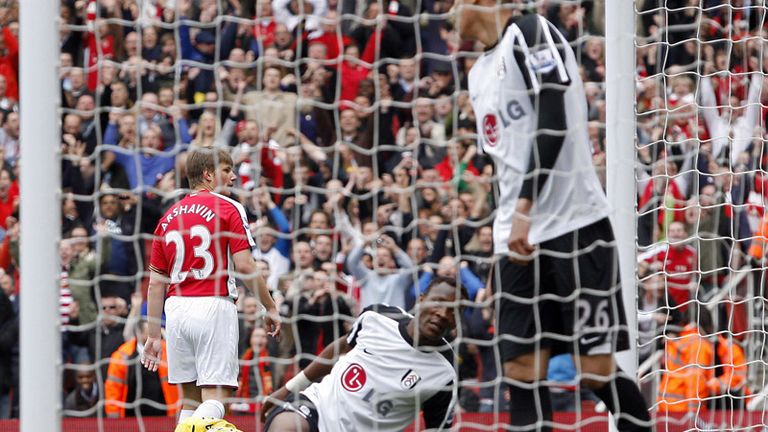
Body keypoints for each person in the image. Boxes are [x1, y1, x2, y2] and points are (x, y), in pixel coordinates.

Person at [455, 1, 651, 430]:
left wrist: (525, 208)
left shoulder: (529, 31)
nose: (448, 13)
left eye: (453, 3)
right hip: (517, 239)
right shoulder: (476, 74)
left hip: (574, 227)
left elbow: (554, 114)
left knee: (595, 368)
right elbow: (500, 168)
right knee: (521, 370)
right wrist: (500, 238)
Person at [141, 147, 281, 427]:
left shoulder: (167, 217)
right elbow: (244, 266)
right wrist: (270, 305)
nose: (232, 178)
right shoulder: (228, 207)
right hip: (213, 305)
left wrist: (154, 336)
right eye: (227, 171)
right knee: (217, 399)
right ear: (208, 174)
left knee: (191, 402)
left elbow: (156, 283)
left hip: (177, 311)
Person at [261, 277, 463, 432]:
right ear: (421, 300)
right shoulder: (378, 317)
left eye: (453, 311)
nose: (443, 314)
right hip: (317, 406)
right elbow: (343, 346)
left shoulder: (445, 373)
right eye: (437, 302)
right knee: (285, 426)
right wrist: (288, 388)